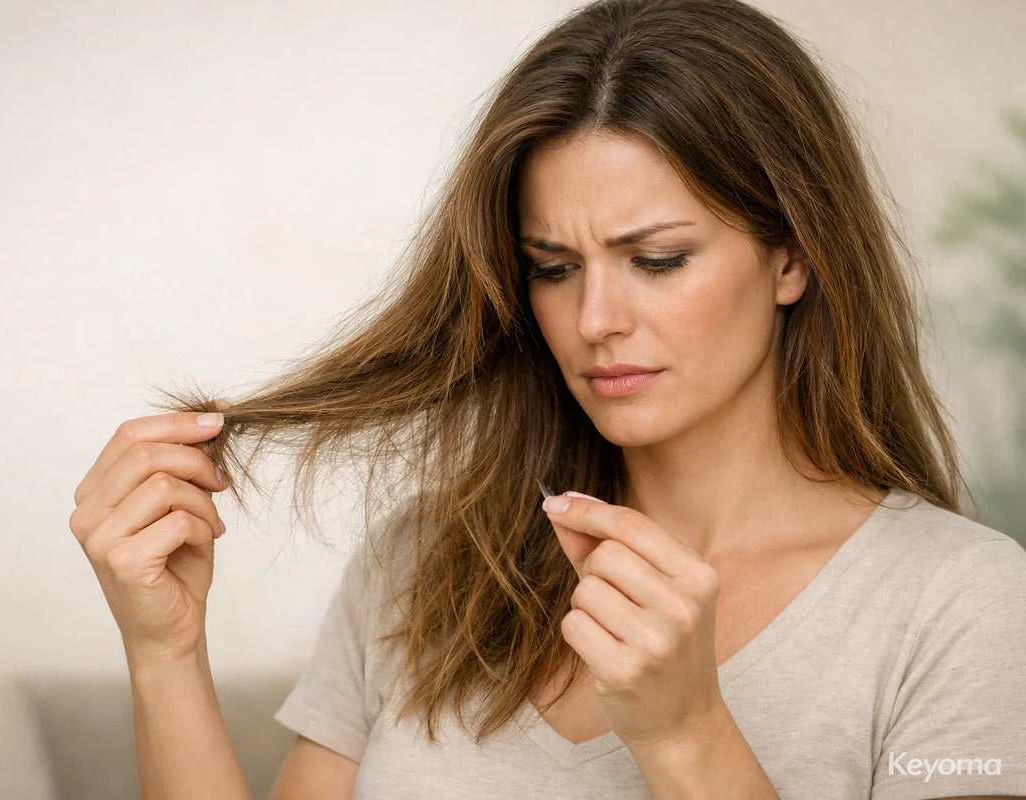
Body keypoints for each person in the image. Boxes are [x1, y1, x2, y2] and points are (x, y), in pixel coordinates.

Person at [70, 0, 1026, 798]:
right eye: (554, 268)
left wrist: (690, 736)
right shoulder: (426, 567)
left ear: (793, 254)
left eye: (657, 260)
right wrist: (166, 652)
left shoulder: (961, 604)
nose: (596, 318)